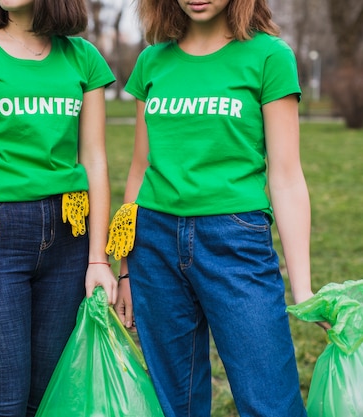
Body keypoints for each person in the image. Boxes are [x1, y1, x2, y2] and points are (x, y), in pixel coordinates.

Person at [106, 0, 318, 416]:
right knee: (175, 403)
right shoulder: (152, 61)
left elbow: (287, 176)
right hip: (153, 243)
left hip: (235, 241)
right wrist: (126, 267)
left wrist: (304, 286)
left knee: (270, 401)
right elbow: (138, 170)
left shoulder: (269, 56)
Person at [0, 0, 118, 415]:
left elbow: (95, 160)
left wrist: (99, 259)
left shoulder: (83, 57)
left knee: (48, 401)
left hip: (70, 238)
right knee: (5, 405)